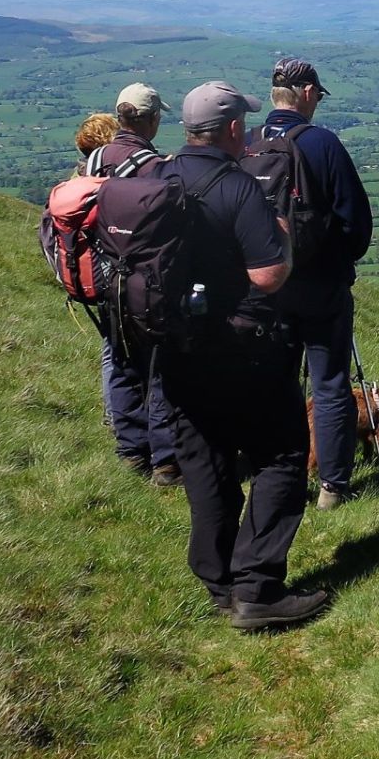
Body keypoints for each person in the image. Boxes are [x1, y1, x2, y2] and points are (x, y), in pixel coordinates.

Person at [158, 81, 327, 631]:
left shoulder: (153, 177)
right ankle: (256, 590)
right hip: (245, 349)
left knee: (204, 460)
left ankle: (217, 581)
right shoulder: (238, 188)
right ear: (233, 129)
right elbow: (268, 274)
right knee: (280, 456)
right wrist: (282, 237)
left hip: (176, 349)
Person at [257, 57, 372, 510]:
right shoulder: (322, 144)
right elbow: (356, 221)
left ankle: (278, 474)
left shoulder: (248, 144)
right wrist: (340, 261)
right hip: (321, 285)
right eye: (318, 95)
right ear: (306, 93)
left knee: (276, 383)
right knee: (329, 384)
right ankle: (333, 487)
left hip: (266, 286)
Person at [97, 84, 179, 486]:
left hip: (104, 280)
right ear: (149, 120)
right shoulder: (152, 165)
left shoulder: (95, 158)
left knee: (120, 362)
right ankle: (165, 461)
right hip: (147, 283)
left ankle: (131, 452)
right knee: (159, 368)